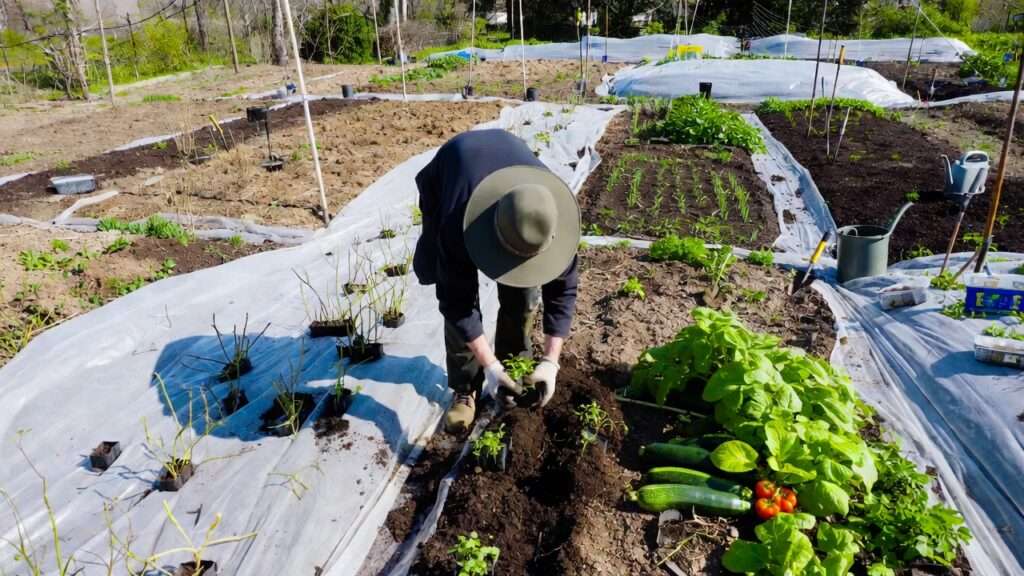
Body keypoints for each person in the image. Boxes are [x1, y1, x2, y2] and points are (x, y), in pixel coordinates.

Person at [413, 129, 581, 433]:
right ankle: (466, 386)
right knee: (454, 285)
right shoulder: (455, 220)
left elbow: (562, 291)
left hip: (507, 163)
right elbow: (457, 303)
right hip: (453, 173)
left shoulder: (551, 215)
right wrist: (487, 365)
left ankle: (514, 369)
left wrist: (551, 362)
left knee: (524, 292)